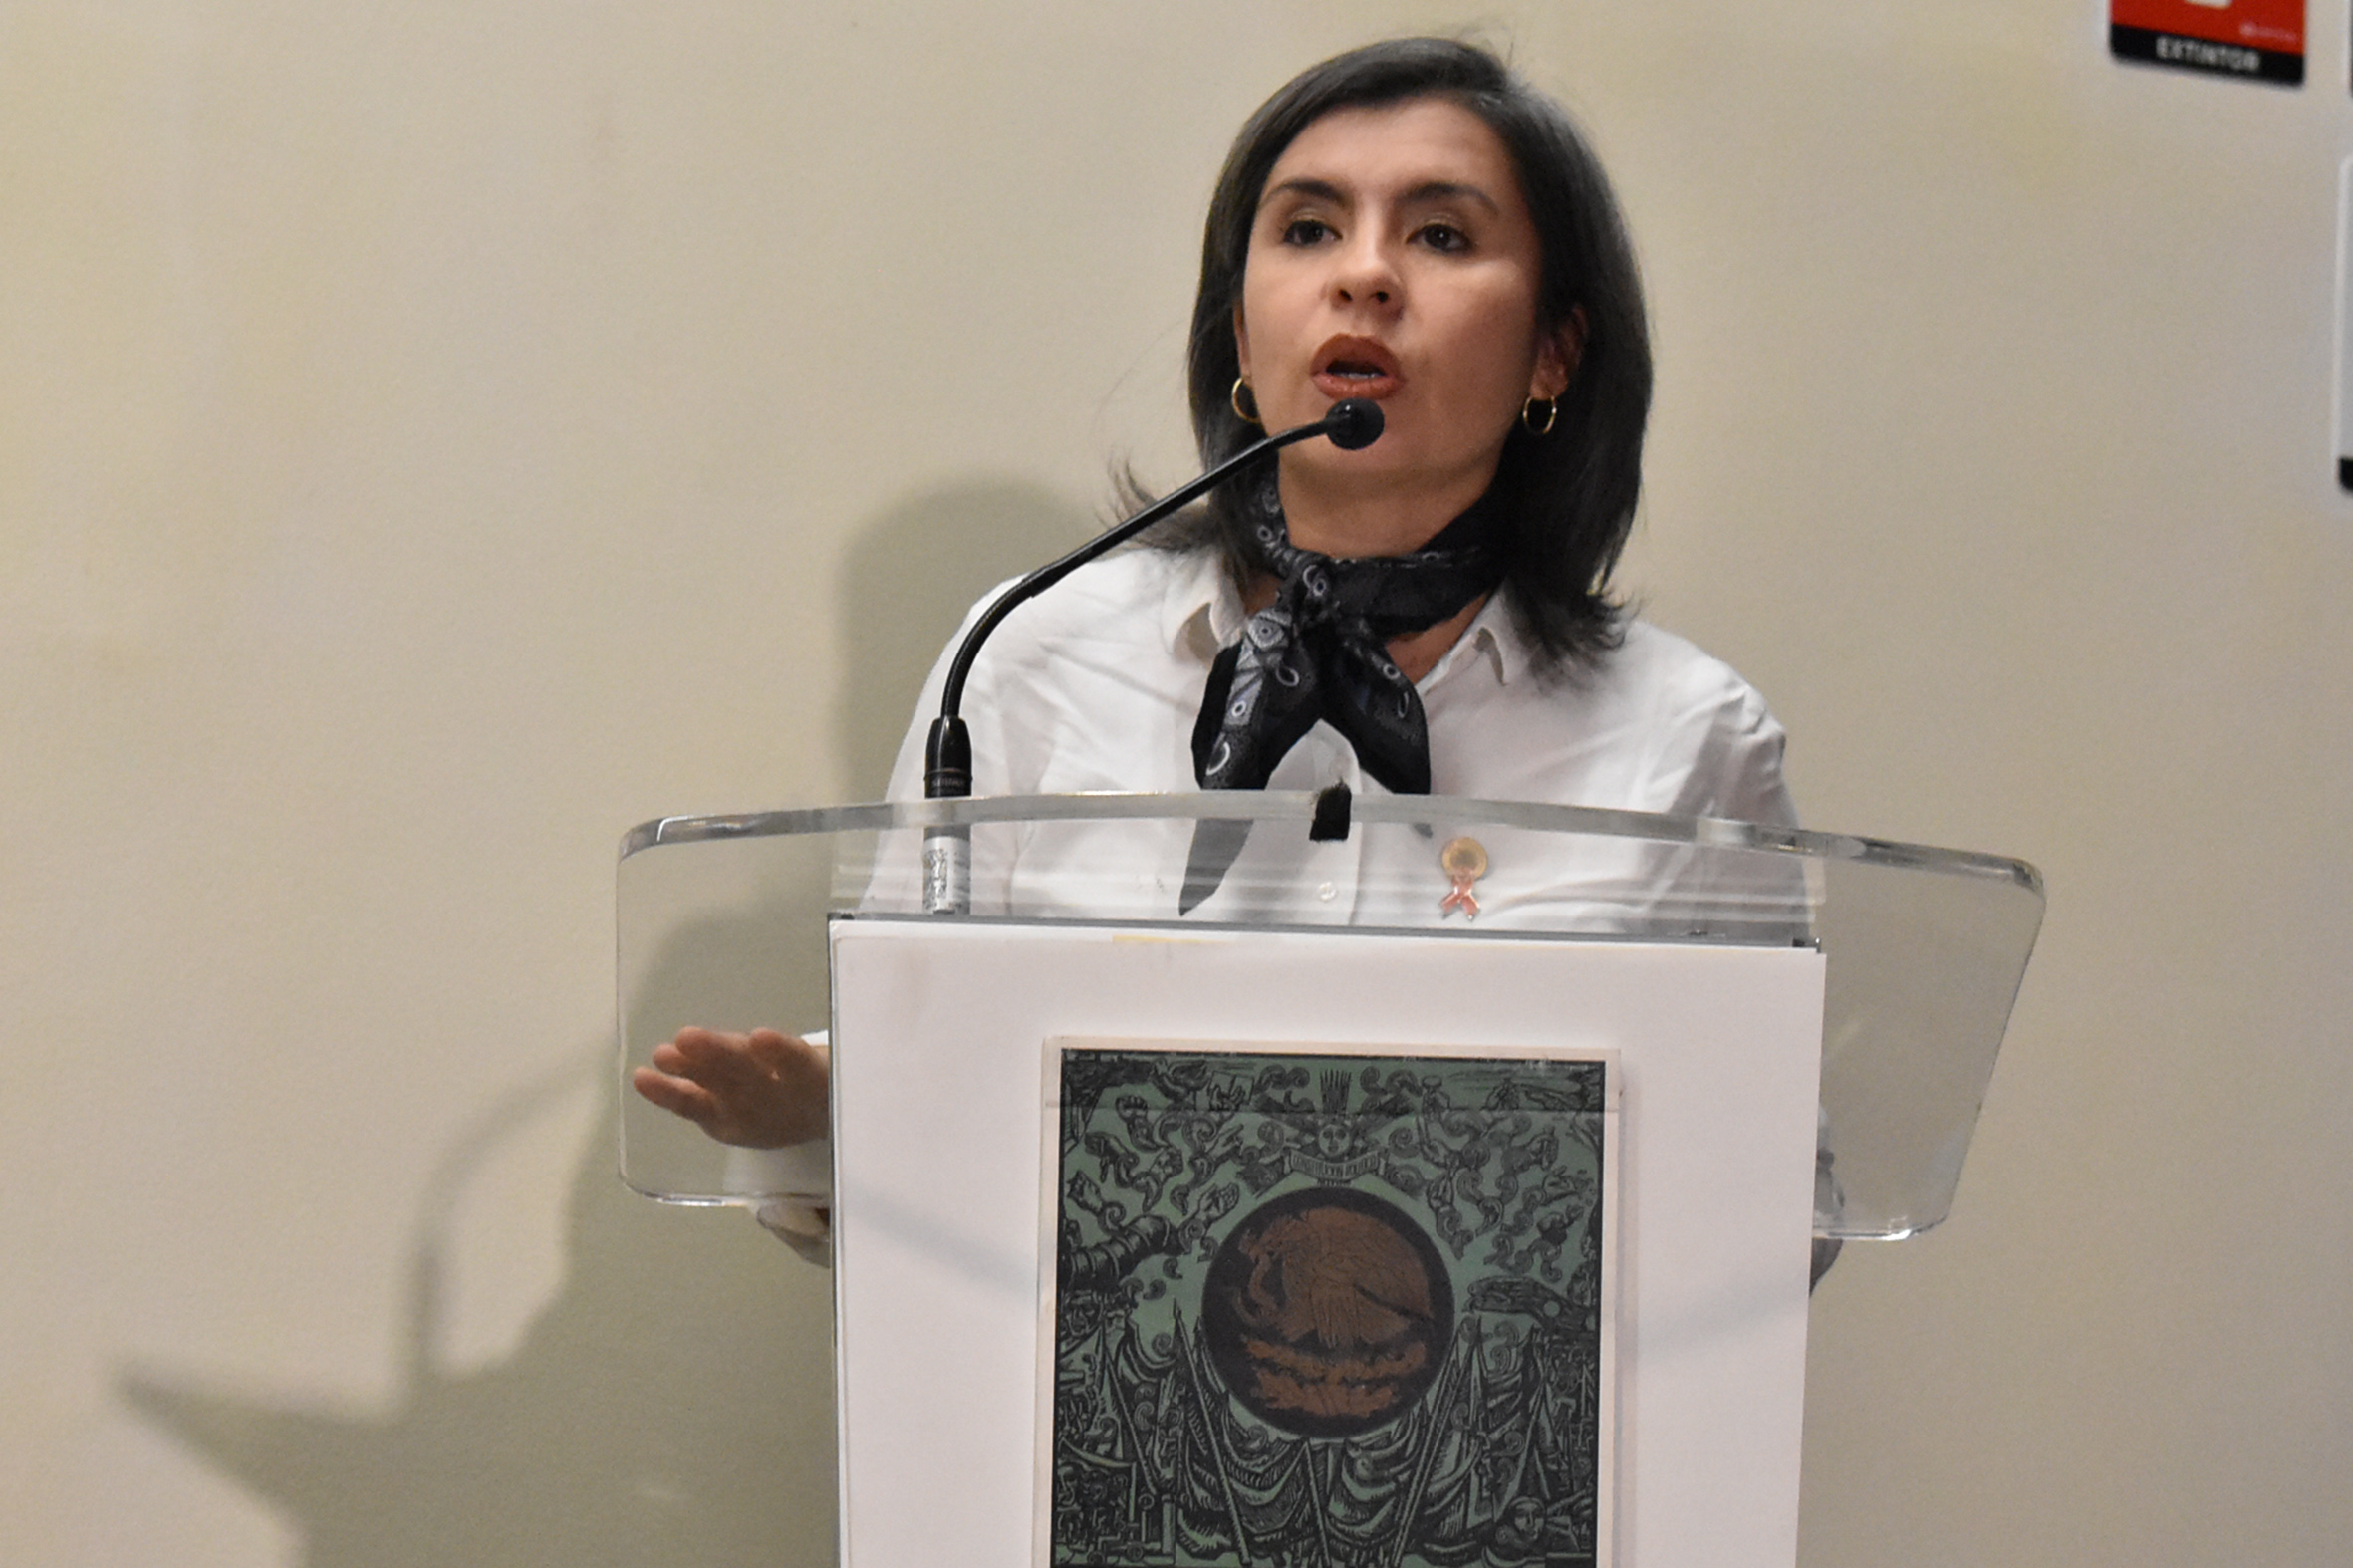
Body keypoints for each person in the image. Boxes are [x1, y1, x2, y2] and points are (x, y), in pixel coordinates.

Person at [633, 37, 1810, 1264]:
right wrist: (829, 1112)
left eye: (1439, 235)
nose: (1363, 274)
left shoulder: (1688, 740)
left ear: (1553, 351)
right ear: (1242, 334)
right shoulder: (1027, 659)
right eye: (1306, 230)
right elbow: (916, 1127)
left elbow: (1789, 1205)